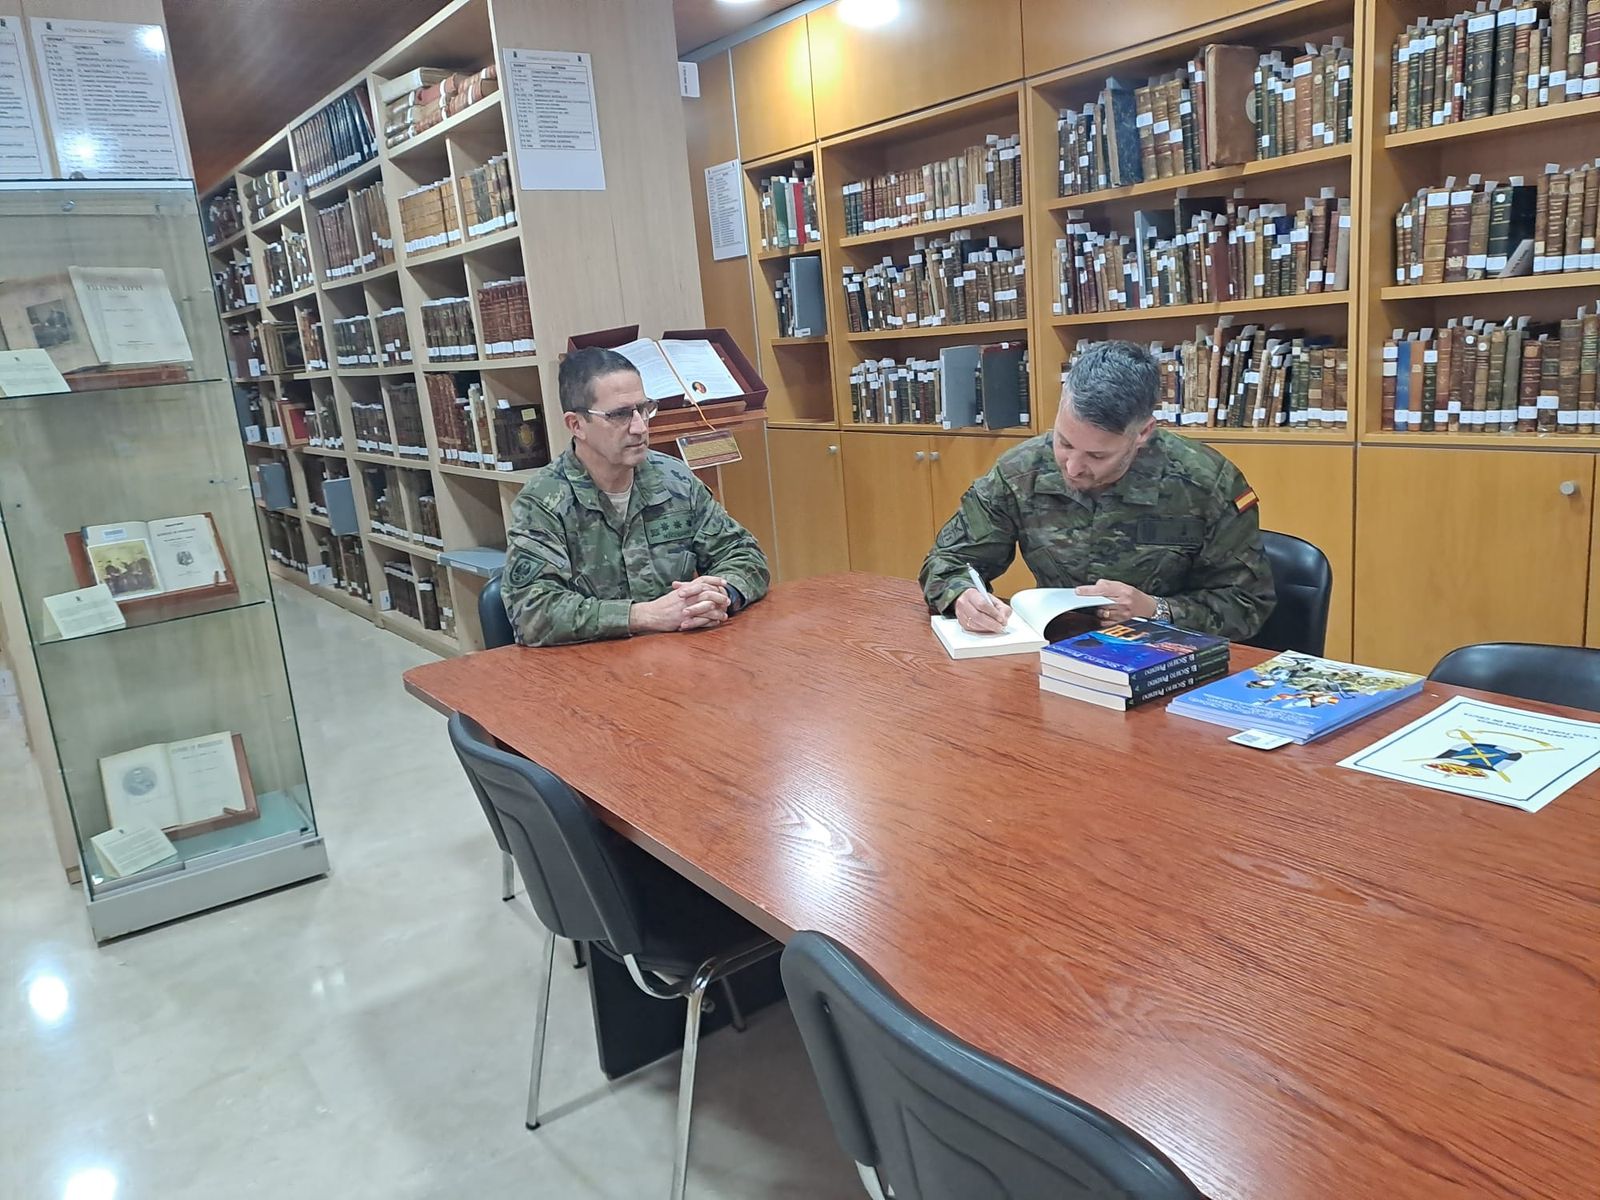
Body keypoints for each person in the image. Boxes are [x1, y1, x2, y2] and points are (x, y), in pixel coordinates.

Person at [919, 340, 1275, 641]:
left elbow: (1247, 604)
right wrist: (962, 595)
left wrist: (1157, 610)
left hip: (1166, 660)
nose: (1072, 466)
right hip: (1057, 651)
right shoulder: (1020, 471)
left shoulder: (1207, 483)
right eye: (1064, 442)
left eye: (1097, 454)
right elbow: (948, 561)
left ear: (1143, 433)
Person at [501, 347, 770, 646]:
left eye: (644, 409)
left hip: (679, 659)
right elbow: (531, 611)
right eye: (619, 415)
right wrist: (642, 616)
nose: (640, 427)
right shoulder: (543, 501)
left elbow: (743, 553)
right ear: (576, 425)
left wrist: (721, 594)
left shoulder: (673, 479)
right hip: (588, 671)